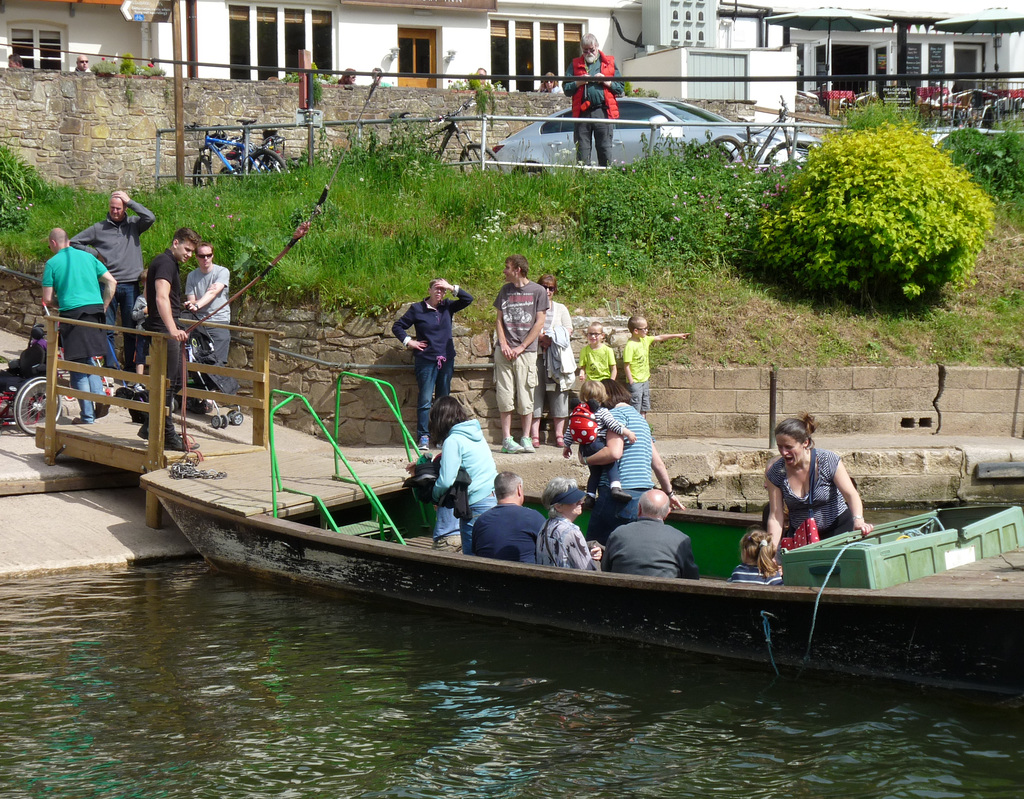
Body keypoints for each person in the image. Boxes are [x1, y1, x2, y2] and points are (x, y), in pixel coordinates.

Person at [585, 378, 684, 544]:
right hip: (643, 495)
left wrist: (587, 459)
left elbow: (614, 453)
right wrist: (669, 493)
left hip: (618, 494)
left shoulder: (613, 416)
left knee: (594, 546)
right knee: (631, 545)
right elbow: (658, 464)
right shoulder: (641, 420)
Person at [71, 190, 156, 372]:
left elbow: (150, 217)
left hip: (131, 284)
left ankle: (131, 368)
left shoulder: (134, 224)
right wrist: (96, 255)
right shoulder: (98, 228)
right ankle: (110, 366)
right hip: (107, 284)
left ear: (125, 208)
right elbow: (74, 242)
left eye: (118, 208)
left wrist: (130, 201)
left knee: (131, 329)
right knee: (107, 328)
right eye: (112, 208)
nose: (115, 211)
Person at [41, 228, 116, 425]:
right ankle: (99, 399)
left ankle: (87, 416)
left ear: (54, 243)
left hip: (73, 315)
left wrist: (60, 302)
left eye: (49, 245)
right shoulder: (88, 257)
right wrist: (103, 306)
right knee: (89, 360)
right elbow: (111, 282)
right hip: (95, 313)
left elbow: (47, 299)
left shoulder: (52, 263)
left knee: (76, 366)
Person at [765, 414, 875, 545]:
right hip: (803, 537)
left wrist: (858, 520)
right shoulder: (776, 472)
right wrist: (770, 549)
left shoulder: (828, 460)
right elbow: (775, 516)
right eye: (779, 447)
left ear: (805, 443)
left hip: (838, 530)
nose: (783, 453)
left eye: (789, 447)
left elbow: (851, 495)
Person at [392, 278, 473, 449]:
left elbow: (468, 299)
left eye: (442, 290)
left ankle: (443, 436)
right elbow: (398, 326)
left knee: (444, 401)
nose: (439, 293)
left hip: (446, 359)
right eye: (436, 289)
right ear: (429, 290)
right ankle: (424, 436)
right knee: (425, 399)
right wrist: (409, 342)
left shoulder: (448, 306)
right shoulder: (417, 309)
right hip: (426, 360)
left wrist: (451, 287)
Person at [140, 227, 201, 451]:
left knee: (173, 381)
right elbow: (161, 297)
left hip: (166, 327)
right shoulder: (165, 263)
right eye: (187, 249)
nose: (189, 254)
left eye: (192, 251)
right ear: (175, 243)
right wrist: (172, 328)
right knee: (169, 383)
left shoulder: (168, 263)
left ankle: (150, 425)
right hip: (164, 330)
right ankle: (166, 433)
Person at [428, 396, 498, 555]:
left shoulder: (453, 440)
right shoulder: (477, 435)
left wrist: (434, 495)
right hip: (492, 499)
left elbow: (446, 481)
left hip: (474, 506)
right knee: (488, 554)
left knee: (471, 560)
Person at [493, 254, 548, 454]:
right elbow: (499, 320)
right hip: (504, 351)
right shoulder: (504, 291)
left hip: (526, 352)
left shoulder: (538, 291)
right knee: (505, 396)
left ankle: (525, 438)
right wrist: (504, 344)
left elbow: (539, 322)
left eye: (507, 267)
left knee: (526, 396)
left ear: (517, 269)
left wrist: (521, 347)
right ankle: (507, 439)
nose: (504, 271)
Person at [563, 380, 636, 506]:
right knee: (611, 464)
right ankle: (615, 488)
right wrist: (627, 432)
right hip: (598, 444)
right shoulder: (602, 411)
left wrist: (567, 446)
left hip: (584, 447)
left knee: (594, 472)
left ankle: (590, 496)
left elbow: (569, 430)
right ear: (602, 396)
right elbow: (613, 425)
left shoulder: (576, 412)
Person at [603, 490, 699, 579]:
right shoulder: (681, 539)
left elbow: (605, 568)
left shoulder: (618, 534)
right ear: (667, 513)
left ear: (639, 508)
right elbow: (691, 578)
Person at [563, 33, 623, 167]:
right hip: (582, 113)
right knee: (582, 153)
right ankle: (583, 183)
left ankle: (605, 181)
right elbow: (566, 89)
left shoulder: (609, 63)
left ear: (597, 46)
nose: (589, 53)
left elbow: (620, 88)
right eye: (585, 50)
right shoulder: (574, 64)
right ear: (581, 49)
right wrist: (579, 82)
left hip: (602, 111)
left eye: (592, 49)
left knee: (605, 149)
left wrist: (606, 81)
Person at [529, 274, 574, 448]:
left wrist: (552, 338)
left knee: (560, 392)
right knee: (534, 392)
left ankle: (559, 434)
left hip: (556, 356)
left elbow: (568, 329)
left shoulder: (561, 308)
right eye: (544, 287)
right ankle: (534, 435)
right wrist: (540, 338)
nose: (547, 291)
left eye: (551, 288)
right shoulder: (531, 307)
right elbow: (526, 329)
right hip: (536, 355)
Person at [622, 315, 689, 417]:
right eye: (644, 329)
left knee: (644, 407)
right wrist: (631, 381)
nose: (647, 331)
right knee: (635, 407)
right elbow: (626, 365)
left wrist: (677, 335)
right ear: (636, 331)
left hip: (645, 380)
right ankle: (635, 429)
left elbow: (660, 337)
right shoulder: (630, 346)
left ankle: (643, 427)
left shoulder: (644, 339)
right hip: (636, 382)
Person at [471, 472, 545, 563]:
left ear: (494, 492)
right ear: (519, 489)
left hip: (487, 575)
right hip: (525, 575)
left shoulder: (481, 521)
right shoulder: (534, 517)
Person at [535, 477, 601, 570]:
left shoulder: (546, 524)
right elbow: (588, 571)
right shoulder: (571, 531)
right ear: (558, 506)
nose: (581, 502)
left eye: (579, 498)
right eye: (574, 500)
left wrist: (588, 554)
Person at [184, 241, 231, 366]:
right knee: (200, 360)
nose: (206, 258)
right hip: (199, 323)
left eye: (208, 255)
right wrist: (193, 304)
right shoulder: (192, 276)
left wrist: (197, 304)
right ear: (196, 257)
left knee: (219, 361)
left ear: (212, 255)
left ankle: (217, 385)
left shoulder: (222, 272)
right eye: (202, 256)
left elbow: (213, 293)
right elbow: (191, 300)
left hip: (219, 321)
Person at [131, 270, 148, 379]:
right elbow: (134, 315)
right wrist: (144, 312)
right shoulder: (140, 299)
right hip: (142, 332)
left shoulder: (159, 298)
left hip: (155, 333)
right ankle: (139, 380)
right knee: (140, 357)